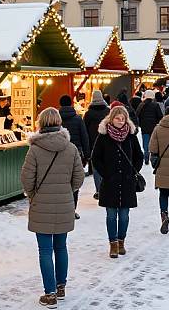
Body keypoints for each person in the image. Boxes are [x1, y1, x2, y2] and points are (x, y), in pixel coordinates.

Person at [21, 107, 85, 308]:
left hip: (41, 205)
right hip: (65, 204)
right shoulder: (71, 148)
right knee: (61, 247)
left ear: (40, 123)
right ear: (59, 123)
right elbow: (79, 178)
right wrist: (67, 191)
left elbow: (26, 179)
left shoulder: (35, 149)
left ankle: (49, 293)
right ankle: (61, 287)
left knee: (45, 250)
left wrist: (33, 195)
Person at [92, 106, 144, 258]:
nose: (120, 122)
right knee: (110, 215)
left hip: (127, 182)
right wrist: (106, 174)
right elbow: (96, 158)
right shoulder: (103, 136)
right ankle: (113, 244)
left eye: (123, 119)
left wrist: (133, 170)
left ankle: (121, 241)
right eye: (117, 118)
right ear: (111, 119)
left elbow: (139, 156)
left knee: (124, 216)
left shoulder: (131, 136)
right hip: (110, 182)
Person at [59, 95, 90, 218]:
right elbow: (84, 137)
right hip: (76, 153)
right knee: (75, 181)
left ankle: (62, 208)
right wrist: (87, 155)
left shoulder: (57, 119)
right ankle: (72, 209)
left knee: (61, 181)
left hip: (59, 153)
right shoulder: (78, 119)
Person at [149, 105, 169, 234]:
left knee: (163, 194)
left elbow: (153, 149)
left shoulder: (157, 129)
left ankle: (164, 215)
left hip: (162, 168)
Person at [83, 90, 109, 199]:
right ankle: (106, 188)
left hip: (93, 144)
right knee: (107, 166)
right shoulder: (108, 111)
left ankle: (99, 190)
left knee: (96, 168)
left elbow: (84, 130)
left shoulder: (88, 114)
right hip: (107, 143)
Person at [136, 89, 163, 164]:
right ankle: (153, 155)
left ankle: (146, 155)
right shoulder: (156, 105)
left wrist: (140, 124)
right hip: (153, 127)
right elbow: (160, 116)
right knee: (154, 141)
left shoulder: (141, 105)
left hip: (144, 127)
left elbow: (137, 115)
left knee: (145, 142)